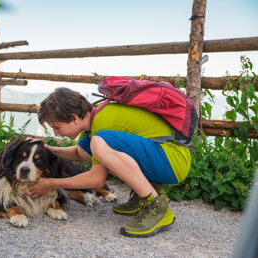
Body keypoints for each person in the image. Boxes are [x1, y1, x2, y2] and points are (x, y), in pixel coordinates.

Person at [28, 87, 191, 237]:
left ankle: (158, 208)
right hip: (162, 156)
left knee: (98, 143)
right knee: (85, 146)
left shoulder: (101, 124)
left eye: (57, 127)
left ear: (74, 118)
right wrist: (49, 150)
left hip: (173, 160)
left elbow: (96, 179)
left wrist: (50, 183)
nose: (57, 133)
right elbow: (79, 153)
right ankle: (144, 194)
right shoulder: (93, 121)